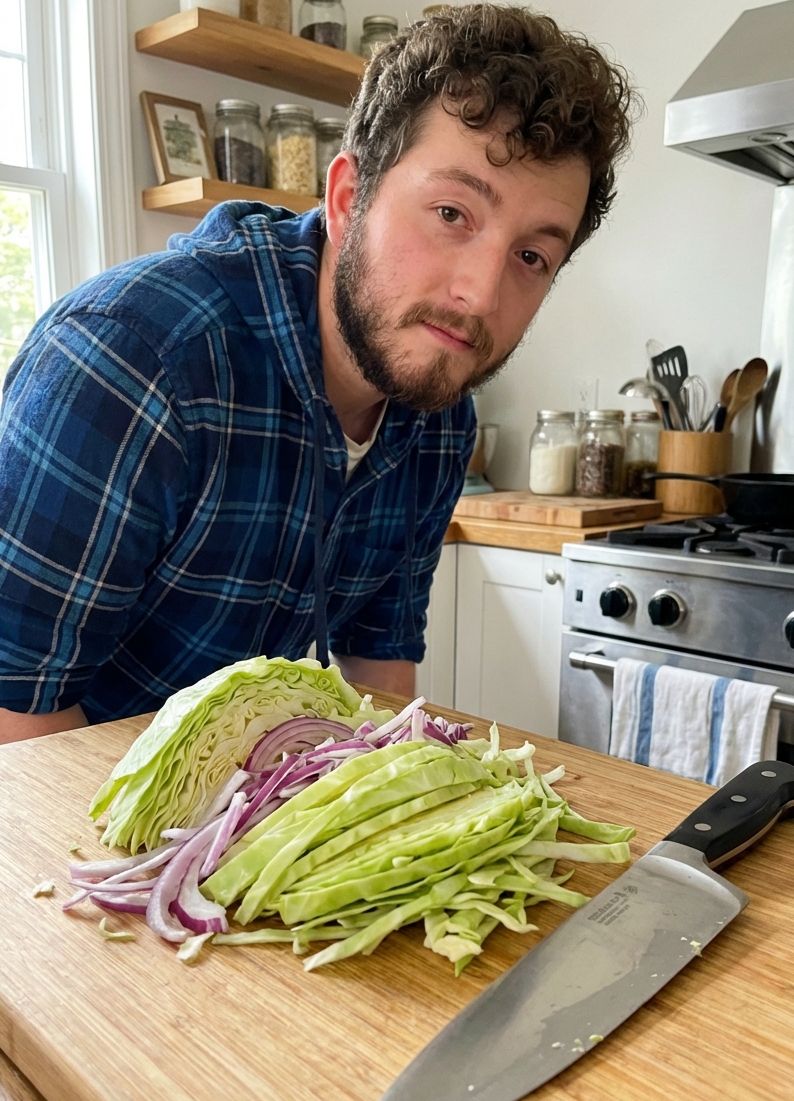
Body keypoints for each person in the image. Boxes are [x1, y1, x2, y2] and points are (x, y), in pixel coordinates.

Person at [0, 4, 634, 744]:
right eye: (452, 213)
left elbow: (378, 664)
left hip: (238, 801)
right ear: (345, 199)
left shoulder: (437, 415)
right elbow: (16, 713)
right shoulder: (133, 362)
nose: (480, 296)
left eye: (532, 257)